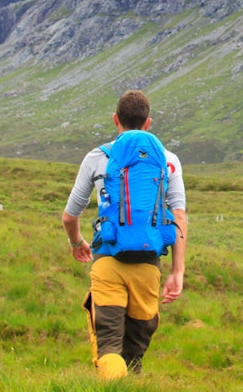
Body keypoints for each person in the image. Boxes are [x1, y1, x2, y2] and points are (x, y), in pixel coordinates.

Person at [61, 89, 188, 379]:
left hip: (107, 261)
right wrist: (177, 271)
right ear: (148, 123)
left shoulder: (97, 157)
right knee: (134, 350)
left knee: (108, 346)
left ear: (115, 119)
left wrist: (76, 242)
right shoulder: (167, 160)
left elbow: (70, 215)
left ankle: (113, 383)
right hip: (148, 264)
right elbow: (178, 216)